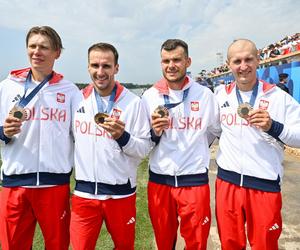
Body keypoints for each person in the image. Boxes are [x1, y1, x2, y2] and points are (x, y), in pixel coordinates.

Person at [0, 26, 81, 250]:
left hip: (54, 184)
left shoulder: (70, 91)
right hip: (15, 184)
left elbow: (80, 135)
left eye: (44, 47)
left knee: (57, 245)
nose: (37, 51)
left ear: (57, 53)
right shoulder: (6, 88)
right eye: (33, 46)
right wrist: (4, 132)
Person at [214, 39, 300, 250]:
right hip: (228, 183)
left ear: (258, 59)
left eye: (248, 59)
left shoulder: (279, 97)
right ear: (228, 64)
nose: (243, 66)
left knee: (265, 245)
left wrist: (274, 126)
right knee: (230, 244)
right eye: (237, 61)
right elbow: (209, 132)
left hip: (264, 185)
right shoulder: (218, 96)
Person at [70, 43, 151, 250]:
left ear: (116, 68)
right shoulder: (76, 100)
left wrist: (122, 136)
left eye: (106, 66)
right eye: (95, 65)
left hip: (121, 195)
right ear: (88, 67)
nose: (100, 71)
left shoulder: (133, 103)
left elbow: (143, 149)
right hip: (84, 194)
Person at [141, 39, 220, 250]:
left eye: (177, 59)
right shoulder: (149, 96)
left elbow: (214, 130)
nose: (171, 65)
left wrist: (197, 149)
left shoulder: (205, 95)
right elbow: (143, 140)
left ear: (188, 61)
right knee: (164, 242)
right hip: (160, 181)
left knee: (196, 243)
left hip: (194, 181)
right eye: (166, 60)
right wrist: (155, 132)